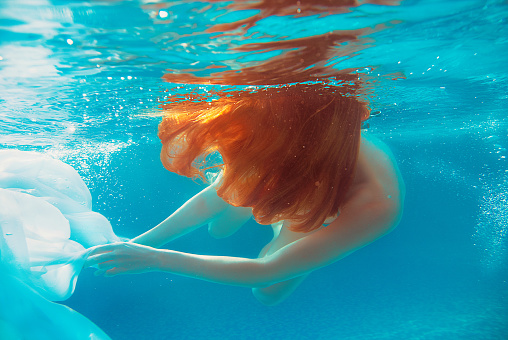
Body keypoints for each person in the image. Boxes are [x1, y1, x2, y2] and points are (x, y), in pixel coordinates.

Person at [86, 84, 405, 306]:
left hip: (328, 201)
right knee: (219, 227)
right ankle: (252, 207)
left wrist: (156, 259)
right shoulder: (293, 139)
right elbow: (209, 200)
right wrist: (139, 244)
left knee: (267, 292)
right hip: (309, 171)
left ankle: (289, 227)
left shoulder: (376, 204)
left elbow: (266, 272)